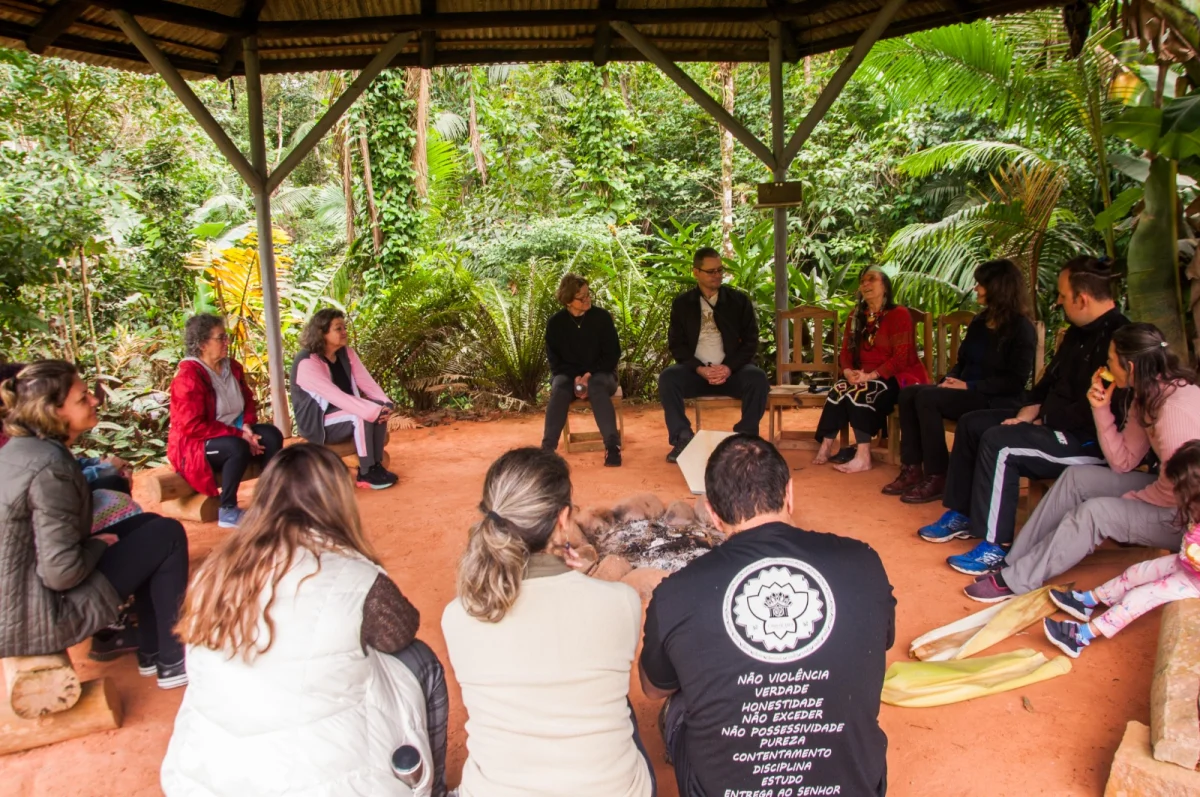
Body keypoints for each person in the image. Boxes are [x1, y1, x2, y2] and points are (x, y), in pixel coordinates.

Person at [161, 444, 448, 797]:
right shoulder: (354, 576)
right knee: (420, 659)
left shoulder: (214, 574)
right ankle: (435, 790)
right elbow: (402, 632)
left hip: (205, 776)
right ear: (336, 502)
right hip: (323, 781)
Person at [640, 434, 895, 797]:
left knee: (679, 697)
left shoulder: (675, 592)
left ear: (712, 513)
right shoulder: (863, 562)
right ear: (790, 493)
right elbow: (881, 641)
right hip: (854, 787)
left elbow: (653, 688)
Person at [441, 447, 654, 797]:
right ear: (563, 518)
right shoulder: (622, 603)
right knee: (618, 702)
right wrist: (578, 575)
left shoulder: (459, 615)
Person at [918, 256, 1129, 578]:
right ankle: (964, 514)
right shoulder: (1076, 333)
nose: (1057, 300)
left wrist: (1044, 421)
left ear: (1082, 298)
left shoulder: (1121, 340)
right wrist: (1027, 415)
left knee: (1002, 444)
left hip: (1088, 440)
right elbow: (1045, 385)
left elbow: (1106, 407)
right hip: (1051, 423)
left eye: (1061, 294)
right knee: (975, 423)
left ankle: (995, 547)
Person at [967, 323, 1200, 602]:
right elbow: (1123, 462)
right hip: (1171, 495)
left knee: (1096, 512)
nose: (1106, 363)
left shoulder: (1172, 411)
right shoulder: (1148, 395)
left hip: (1188, 518)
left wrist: (1132, 499)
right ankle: (1014, 564)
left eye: (1111, 358)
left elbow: (1182, 487)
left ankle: (1017, 581)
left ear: (1131, 367)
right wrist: (1100, 409)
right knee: (1078, 477)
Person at [0, 360, 189, 688]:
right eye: (83, 397)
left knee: (148, 526)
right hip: (40, 618)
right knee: (168, 534)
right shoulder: (50, 467)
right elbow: (61, 572)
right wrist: (98, 544)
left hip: (23, 603)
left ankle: (153, 652)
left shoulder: (26, 449)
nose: (94, 401)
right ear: (54, 411)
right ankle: (173, 661)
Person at [885, 259, 1036, 502]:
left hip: (995, 398)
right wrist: (952, 379)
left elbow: (1015, 381)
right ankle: (912, 468)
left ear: (997, 287)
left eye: (980, 284)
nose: (975, 288)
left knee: (927, 398)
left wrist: (969, 386)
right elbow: (962, 361)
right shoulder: (980, 321)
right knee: (908, 393)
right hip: (966, 391)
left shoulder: (1021, 328)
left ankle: (938, 475)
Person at [1042, 440, 1200, 657]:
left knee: (1140, 597)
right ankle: (1089, 601)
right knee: (1138, 571)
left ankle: (1080, 636)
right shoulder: (1196, 507)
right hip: (1187, 564)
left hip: (1195, 580)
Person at [167, 314, 284, 528]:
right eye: (220, 338)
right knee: (236, 446)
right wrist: (240, 434)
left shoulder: (232, 367)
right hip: (196, 444)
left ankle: (269, 500)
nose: (226, 342)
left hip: (234, 431)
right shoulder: (188, 377)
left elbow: (247, 400)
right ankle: (228, 510)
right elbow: (192, 426)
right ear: (203, 344)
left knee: (271, 435)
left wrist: (247, 426)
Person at [813, 266, 929, 474]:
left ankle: (864, 456)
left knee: (861, 391)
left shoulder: (899, 314)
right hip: (863, 374)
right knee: (839, 388)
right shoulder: (856, 316)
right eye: (862, 281)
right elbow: (846, 353)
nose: (865, 284)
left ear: (885, 286)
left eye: (871, 279)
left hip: (896, 376)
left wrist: (871, 375)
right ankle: (826, 445)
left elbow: (901, 358)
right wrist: (848, 371)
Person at [658, 247, 769, 463]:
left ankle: (744, 439)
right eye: (711, 271)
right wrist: (699, 368)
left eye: (720, 270)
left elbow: (750, 342)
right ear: (696, 272)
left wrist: (728, 367)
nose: (717, 275)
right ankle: (683, 439)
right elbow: (677, 345)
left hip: (731, 372)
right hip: (697, 373)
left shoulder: (738, 301)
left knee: (757, 378)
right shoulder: (682, 304)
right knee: (668, 378)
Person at [291, 308, 397, 490]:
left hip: (343, 415)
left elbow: (367, 382)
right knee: (361, 415)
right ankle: (366, 472)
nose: (344, 332)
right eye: (338, 328)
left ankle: (376, 464)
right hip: (319, 423)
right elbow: (335, 396)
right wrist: (370, 410)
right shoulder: (307, 362)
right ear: (322, 332)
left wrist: (384, 403)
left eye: (344, 327)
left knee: (378, 408)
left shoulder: (346, 354)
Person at [542, 273, 623, 467]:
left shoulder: (601, 317)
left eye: (588, 294)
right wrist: (576, 377)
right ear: (568, 300)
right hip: (569, 377)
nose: (587, 299)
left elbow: (613, 354)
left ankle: (612, 447)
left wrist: (588, 375)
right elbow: (555, 362)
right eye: (581, 297)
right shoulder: (556, 323)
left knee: (596, 385)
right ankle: (546, 450)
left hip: (602, 375)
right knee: (560, 385)